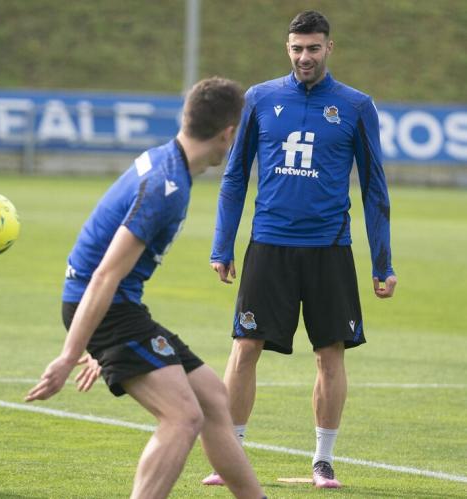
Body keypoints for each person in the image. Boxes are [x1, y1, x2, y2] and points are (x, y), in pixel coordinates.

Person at [25, 77, 266, 499]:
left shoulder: (166, 163)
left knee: (211, 395)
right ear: (229, 133)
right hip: (104, 303)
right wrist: (70, 355)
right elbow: (104, 274)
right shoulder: (165, 187)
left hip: (114, 308)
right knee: (183, 417)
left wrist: (104, 342)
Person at [201, 10, 398, 490]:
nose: (304, 57)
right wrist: (222, 244)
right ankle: (232, 455)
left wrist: (382, 263)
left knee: (330, 353)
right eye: (296, 48)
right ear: (286, 49)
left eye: (313, 47)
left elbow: (375, 187)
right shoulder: (260, 99)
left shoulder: (355, 106)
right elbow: (233, 177)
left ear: (330, 47)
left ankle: (323, 461)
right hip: (269, 245)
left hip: (330, 249)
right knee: (245, 348)